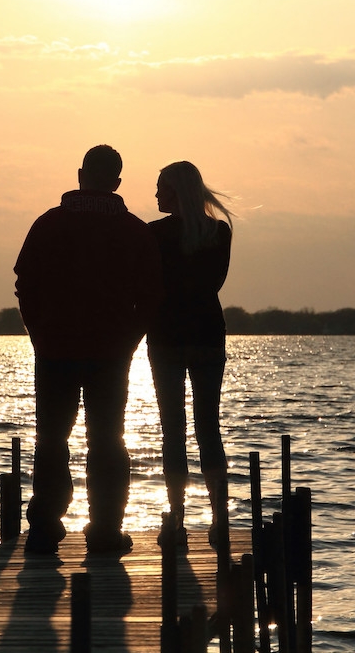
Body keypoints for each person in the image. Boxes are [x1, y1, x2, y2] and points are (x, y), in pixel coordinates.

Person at [14, 145, 162, 556]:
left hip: (55, 349)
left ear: (81, 175)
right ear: (116, 182)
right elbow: (152, 295)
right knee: (108, 440)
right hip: (111, 352)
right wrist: (130, 339)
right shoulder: (135, 231)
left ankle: (44, 529)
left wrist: (38, 332)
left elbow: (25, 282)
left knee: (51, 439)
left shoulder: (49, 223)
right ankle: (105, 531)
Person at [147, 161, 234, 547]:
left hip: (166, 337)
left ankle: (177, 518)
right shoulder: (218, 232)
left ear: (176, 192)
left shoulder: (154, 234)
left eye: (160, 187)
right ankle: (219, 518)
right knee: (208, 428)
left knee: (173, 430)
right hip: (207, 335)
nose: (155, 194)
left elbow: (150, 286)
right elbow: (214, 283)